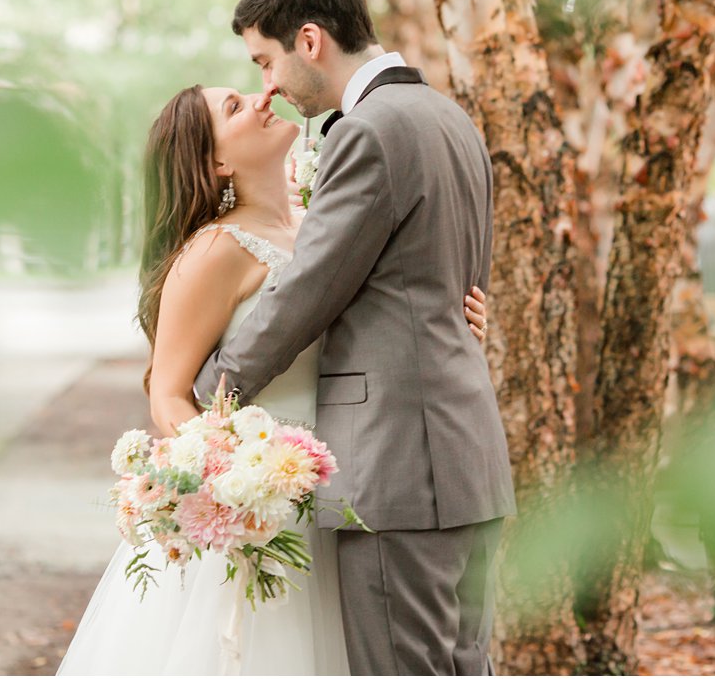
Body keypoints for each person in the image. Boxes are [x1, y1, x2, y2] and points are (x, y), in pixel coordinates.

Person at [56, 77, 489, 675]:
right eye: (234, 107)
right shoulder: (214, 252)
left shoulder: (327, 221)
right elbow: (169, 393)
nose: (263, 97)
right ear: (216, 162)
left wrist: (458, 320)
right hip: (267, 508)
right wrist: (238, 475)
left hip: (355, 487)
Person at [194, 0, 516, 676]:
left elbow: (308, 288)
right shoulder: (451, 118)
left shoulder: (368, 132)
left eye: (265, 60)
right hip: (468, 460)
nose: (267, 86)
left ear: (310, 40)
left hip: (399, 468)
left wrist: (215, 391)